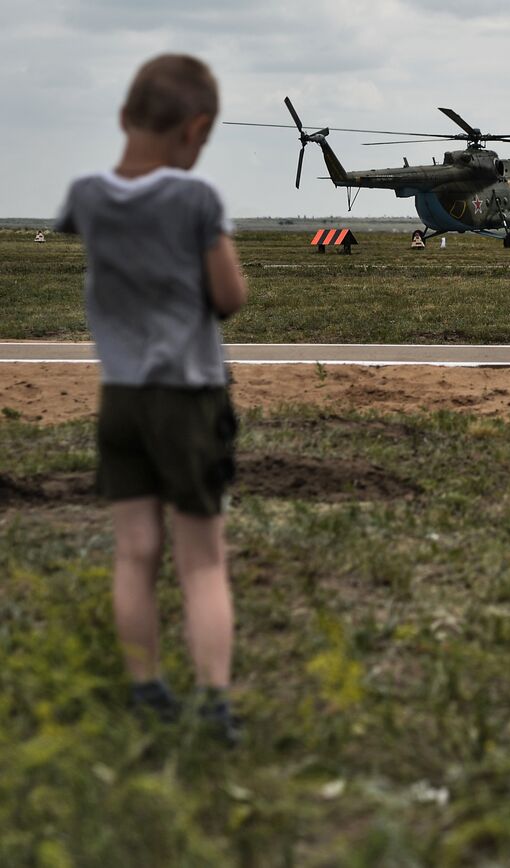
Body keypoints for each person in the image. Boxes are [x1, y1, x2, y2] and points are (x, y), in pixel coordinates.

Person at [54, 54, 247, 744]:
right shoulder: (196, 201)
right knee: (201, 560)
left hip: (121, 397)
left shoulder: (86, 194)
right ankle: (214, 703)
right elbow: (229, 297)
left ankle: (145, 689)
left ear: (122, 118)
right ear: (196, 129)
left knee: (134, 551)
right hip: (187, 395)